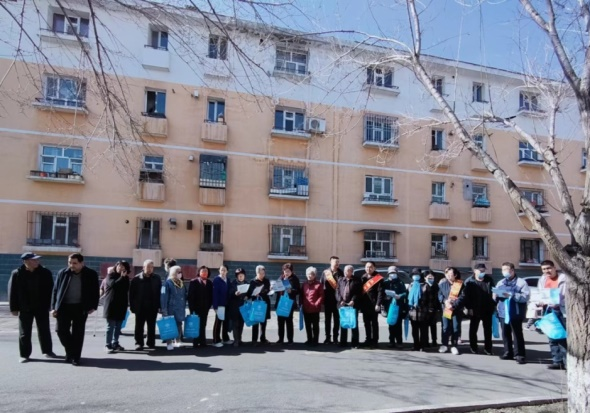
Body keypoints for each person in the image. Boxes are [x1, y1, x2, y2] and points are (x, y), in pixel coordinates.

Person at [51, 253, 100, 366]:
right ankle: (71, 351)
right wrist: (53, 307)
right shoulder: (63, 273)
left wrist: (93, 306)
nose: (71, 265)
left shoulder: (90, 274)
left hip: (80, 307)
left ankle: (75, 357)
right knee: (60, 330)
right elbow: (55, 290)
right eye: (69, 262)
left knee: (78, 333)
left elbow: (95, 291)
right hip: (64, 307)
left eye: (74, 263)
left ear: (82, 263)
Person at [8, 252, 55, 363]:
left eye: (37, 259)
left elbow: (52, 290)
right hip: (25, 308)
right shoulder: (17, 273)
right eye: (34, 260)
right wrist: (13, 308)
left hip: (41, 307)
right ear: (26, 261)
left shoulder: (45, 272)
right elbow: (12, 292)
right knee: (24, 332)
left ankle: (47, 351)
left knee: (44, 330)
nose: (37, 261)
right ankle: (24, 355)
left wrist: (52, 306)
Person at [454, 263, 495, 355]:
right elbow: (465, 296)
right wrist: (468, 308)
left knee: (488, 330)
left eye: (483, 271)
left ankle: (488, 348)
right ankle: (473, 347)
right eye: (480, 271)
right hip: (474, 309)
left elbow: (493, 292)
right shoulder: (469, 281)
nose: (482, 272)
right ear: (475, 271)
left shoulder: (489, 280)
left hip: (487, 309)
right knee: (473, 329)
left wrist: (493, 303)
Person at [494, 262, 530, 365]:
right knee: (505, 333)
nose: (504, 271)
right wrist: (495, 296)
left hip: (516, 312)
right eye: (503, 270)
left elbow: (525, 297)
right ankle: (507, 352)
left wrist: (512, 295)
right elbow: (495, 295)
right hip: (503, 312)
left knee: (517, 334)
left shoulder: (521, 282)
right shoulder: (500, 283)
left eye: (506, 269)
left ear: (513, 270)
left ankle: (519, 354)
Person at [538, 260, 567, 370]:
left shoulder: (563, 279)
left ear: (554, 268)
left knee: (562, 337)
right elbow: (541, 294)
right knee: (552, 336)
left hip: (561, 311)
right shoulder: (543, 279)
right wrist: (540, 301)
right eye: (544, 269)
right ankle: (557, 361)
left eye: (549, 268)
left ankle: (567, 363)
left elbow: (567, 295)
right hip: (548, 310)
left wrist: (559, 303)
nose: (547, 271)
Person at [129, 259, 162, 351]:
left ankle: (151, 343)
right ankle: (139, 343)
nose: (150, 269)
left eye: (151, 267)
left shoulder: (157, 278)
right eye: (148, 267)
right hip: (140, 307)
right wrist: (132, 306)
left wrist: (160, 306)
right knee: (139, 326)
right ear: (143, 267)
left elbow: (159, 293)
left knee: (151, 326)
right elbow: (131, 294)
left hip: (153, 306)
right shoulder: (136, 279)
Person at [102, 261, 130, 353]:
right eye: (119, 266)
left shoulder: (126, 278)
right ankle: (108, 344)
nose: (120, 268)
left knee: (118, 326)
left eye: (122, 266)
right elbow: (114, 285)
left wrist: (123, 277)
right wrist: (121, 277)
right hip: (111, 305)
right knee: (110, 326)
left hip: (121, 305)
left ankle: (115, 343)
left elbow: (126, 290)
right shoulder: (110, 276)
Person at [407, 268, 437, 351]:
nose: (415, 276)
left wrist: (430, 309)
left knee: (423, 330)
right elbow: (408, 298)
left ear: (420, 276)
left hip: (423, 311)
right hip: (413, 311)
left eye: (417, 275)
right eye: (414, 275)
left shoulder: (425, 285)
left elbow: (430, 299)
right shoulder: (410, 285)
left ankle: (422, 346)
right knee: (414, 331)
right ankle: (416, 345)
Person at [160, 265, 187, 350]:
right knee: (169, 325)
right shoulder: (167, 283)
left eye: (180, 272)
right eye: (178, 272)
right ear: (173, 273)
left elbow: (184, 295)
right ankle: (169, 343)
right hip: (170, 308)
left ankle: (177, 341)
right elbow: (164, 296)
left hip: (180, 307)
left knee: (179, 324)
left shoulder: (181, 283)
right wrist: (164, 309)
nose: (180, 273)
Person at [438, 267, 463, 355]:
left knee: (455, 327)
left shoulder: (460, 284)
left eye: (451, 275)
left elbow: (462, 297)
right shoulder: (442, 284)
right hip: (446, 308)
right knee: (445, 327)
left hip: (456, 309)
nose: (448, 276)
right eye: (447, 274)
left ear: (455, 275)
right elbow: (440, 295)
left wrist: (454, 304)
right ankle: (444, 344)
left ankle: (454, 345)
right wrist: (445, 301)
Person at [336, 265, 362, 348]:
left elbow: (358, 292)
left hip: (353, 305)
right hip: (342, 305)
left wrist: (353, 300)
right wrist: (340, 300)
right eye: (345, 270)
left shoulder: (357, 280)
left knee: (353, 323)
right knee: (344, 323)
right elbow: (337, 291)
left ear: (351, 271)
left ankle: (355, 343)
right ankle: (343, 342)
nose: (345, 272)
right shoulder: (340, 279)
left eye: (347, 270)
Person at [360, 261, 385, 348]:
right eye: (367, 267)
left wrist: (378, 304)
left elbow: (380, 292)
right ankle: (368, 339)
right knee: (366, 323)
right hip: (364, 304)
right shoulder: (363, 277)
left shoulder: (378, 278)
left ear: (374, 268)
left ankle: (375, 341)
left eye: (370, 267)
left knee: (374, 323)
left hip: (374, 304)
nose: (368, 268)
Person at [382, 266, 408, 348]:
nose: (392, 274)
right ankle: (391, 341)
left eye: (394, 273)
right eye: (391, 273)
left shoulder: (400, 282)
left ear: (397, 273)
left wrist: (399, 296)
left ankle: (399, 342)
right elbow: (381, 293)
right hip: (389, 307)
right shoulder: (385, 282)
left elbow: (405, 293)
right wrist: (385, 297)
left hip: (398, 306)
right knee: (391, 324)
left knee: (398, 325)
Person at [188, 265, 213, 348]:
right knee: (196, 325)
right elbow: (190, 296)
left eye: (206, 271)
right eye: (203, 271)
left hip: (205, 308)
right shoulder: (194, 282)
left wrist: (209, 306)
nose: (204, 273)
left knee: (203, 324)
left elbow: (211, 296)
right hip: (196, 308)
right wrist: (191, 309)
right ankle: (195, 342)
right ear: (199, 272)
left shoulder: (209, 283)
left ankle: (203, 342)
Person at [276, 263, 301, 345]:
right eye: (285, 271)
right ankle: (280, 339)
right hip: (281, 302)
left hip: (289, 303)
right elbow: (277, 290)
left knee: (289, 321)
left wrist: (292, 291)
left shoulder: (295, 279)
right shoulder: (280, 278)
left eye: (288, 271)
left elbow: (298, 291)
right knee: (280, 321)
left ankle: (290, 339)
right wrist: (273, 288)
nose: (286, 273)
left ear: (291, 271)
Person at [320, 256, 343, 344]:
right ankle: (327, 337)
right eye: (335, 262)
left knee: (337, 320)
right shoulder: (325, 272)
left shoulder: (341, 273)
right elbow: (321, 285)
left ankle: (335, 338)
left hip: (337, 300)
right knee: (327, 320)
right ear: (330, 262)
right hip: (327, 300)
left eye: (338, 262)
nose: (337, 263)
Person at [247, 265, 271, 346]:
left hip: (264, 303)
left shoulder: (267, 281)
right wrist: (254, 294)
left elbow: (268, 291)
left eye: (263, 273)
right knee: (255, 322)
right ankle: (254, 340)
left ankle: (263, 338)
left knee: (263, 322)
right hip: (256, 304)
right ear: (256, 273)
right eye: (260, 273)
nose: (262, 275)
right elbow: (249, 294)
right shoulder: (252, 282)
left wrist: (270, 290)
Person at [300, 266, 324, 346]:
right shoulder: (304, 284)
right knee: (307, 325)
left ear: (314, 275)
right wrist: (301, 304)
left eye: (311, 274)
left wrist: (316, 304)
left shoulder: (318, 284)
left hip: (315, 309)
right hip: (306, 308)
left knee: (315, 325)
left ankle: (315, 340)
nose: (309, 276)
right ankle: (309, 339)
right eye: (308, 274)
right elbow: (301, 295)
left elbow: (321, 296)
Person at [212, 265, 233, 347]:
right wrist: (215, 306)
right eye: (221, 270)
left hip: (227, 304)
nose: (223, 272)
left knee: (226, 322)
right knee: (218, 322)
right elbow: (215, 294)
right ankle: (215, 340)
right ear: (219, 271)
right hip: (220, 305)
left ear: (227, 271)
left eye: (224, 270)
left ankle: (225, 339)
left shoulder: (228, 280)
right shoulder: (216, 280)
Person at [228, 268, 249, 347]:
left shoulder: (246, 283)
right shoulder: (233, 283)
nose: (240, 277)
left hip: (243, 306)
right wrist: (235, 294)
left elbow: (249, 293)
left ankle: (239, 339)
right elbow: (229, 294)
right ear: (236, 276)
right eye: (239, 276)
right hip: (235, 307)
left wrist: (247, 296)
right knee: (235, 324)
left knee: (241, 323)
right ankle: (236, 340)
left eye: (242, 275)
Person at [425, 270, 441, 348]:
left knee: (433, 325)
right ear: (425, 278)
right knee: (425, 326)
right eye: (429, 277)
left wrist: (438, 308)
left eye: (432, 277)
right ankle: (426, 341)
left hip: (434, 308)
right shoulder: (423, 286)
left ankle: (434, 340)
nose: (430, 278)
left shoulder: (436, 286)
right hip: (425, 309)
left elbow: (438, 298)